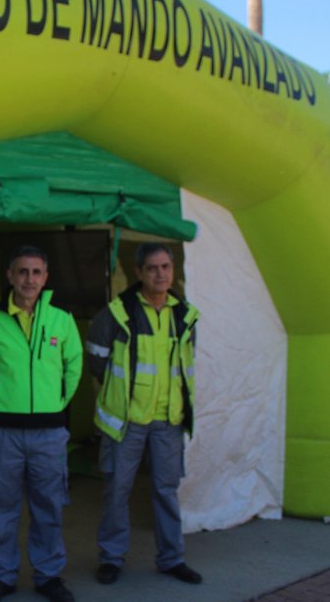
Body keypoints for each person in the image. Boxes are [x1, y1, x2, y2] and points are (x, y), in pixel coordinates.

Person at [0, 245, 82, 602]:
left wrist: (56, 405)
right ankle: (1, 576)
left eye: (36, 272)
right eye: (22, 272)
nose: (29, 279)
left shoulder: (62, 318)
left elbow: (73, 365)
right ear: (10, 276)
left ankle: (48, 576)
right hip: (3, 433)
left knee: (48, 506)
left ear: (45, 278)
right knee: (1, 508)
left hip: (49, 433)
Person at [85, 243, 202, 586]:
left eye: (165, 267)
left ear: (173, 270)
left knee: (166, 490)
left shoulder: (185, 315)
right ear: (138, 273)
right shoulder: (117, 313)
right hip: (126, 423)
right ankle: (111, 558)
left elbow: (186, 365)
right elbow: (97, 361)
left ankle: (171, 559)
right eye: (152, 268)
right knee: (117, 490)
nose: (160, 274)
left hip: (168, 421)